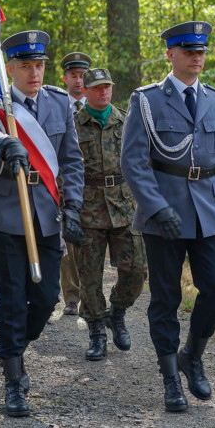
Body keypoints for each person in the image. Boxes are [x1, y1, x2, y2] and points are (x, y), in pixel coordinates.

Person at [121, 21, 215, 413]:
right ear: (171, 54)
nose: (197, 57)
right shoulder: (147, 100)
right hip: (163, 211)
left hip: (210, 209)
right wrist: (155, 206)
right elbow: (133, 161)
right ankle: (170, 381)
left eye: (201, 51)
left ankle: (191, 357)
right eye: (188, 50)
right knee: (166, 297)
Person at [0, 30, 84, 417]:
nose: (34, 73)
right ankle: (14, 380)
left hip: (47, 213)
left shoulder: (57, 102)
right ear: (11, 68)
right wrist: (6, 142)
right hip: (5, 213)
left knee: (46, 298)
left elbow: (71, 160)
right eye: (25, 66)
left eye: (38, 65)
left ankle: (16, 345)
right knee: (10, 300)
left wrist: (73, 207)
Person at [73, 67, 146, 361]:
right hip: (86, 208)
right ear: (86, 91)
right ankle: (96, 332)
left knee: (137, 269)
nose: (103, 92)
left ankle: (117, 312)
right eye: (97, 88)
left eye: (107, 87)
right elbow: (65, 167)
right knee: (89, 277)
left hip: (124, 205)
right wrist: (66, 210)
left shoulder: (126, 120)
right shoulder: (74, 124)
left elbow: (142, 159)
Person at [59, 52, 92, 316]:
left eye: (82, 76)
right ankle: (71, 296)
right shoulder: (57, 107)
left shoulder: (100, 105)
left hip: (94, 186)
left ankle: (93, 296)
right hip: (64, 184)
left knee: (90, 241)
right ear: (65, 78)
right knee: (68, 243)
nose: (78, 81)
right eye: (74, 76)